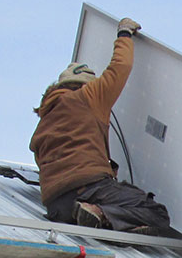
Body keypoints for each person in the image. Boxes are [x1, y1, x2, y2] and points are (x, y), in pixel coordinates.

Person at [30, 17, 172, 234]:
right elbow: (120, 66)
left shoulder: (46, 119)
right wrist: (124, 34)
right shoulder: (88, 95)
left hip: (57, 207)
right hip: (89, 189)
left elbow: (50, 163)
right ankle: (100, 212)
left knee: (122, 206)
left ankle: (100, 216)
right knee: (157, 214)